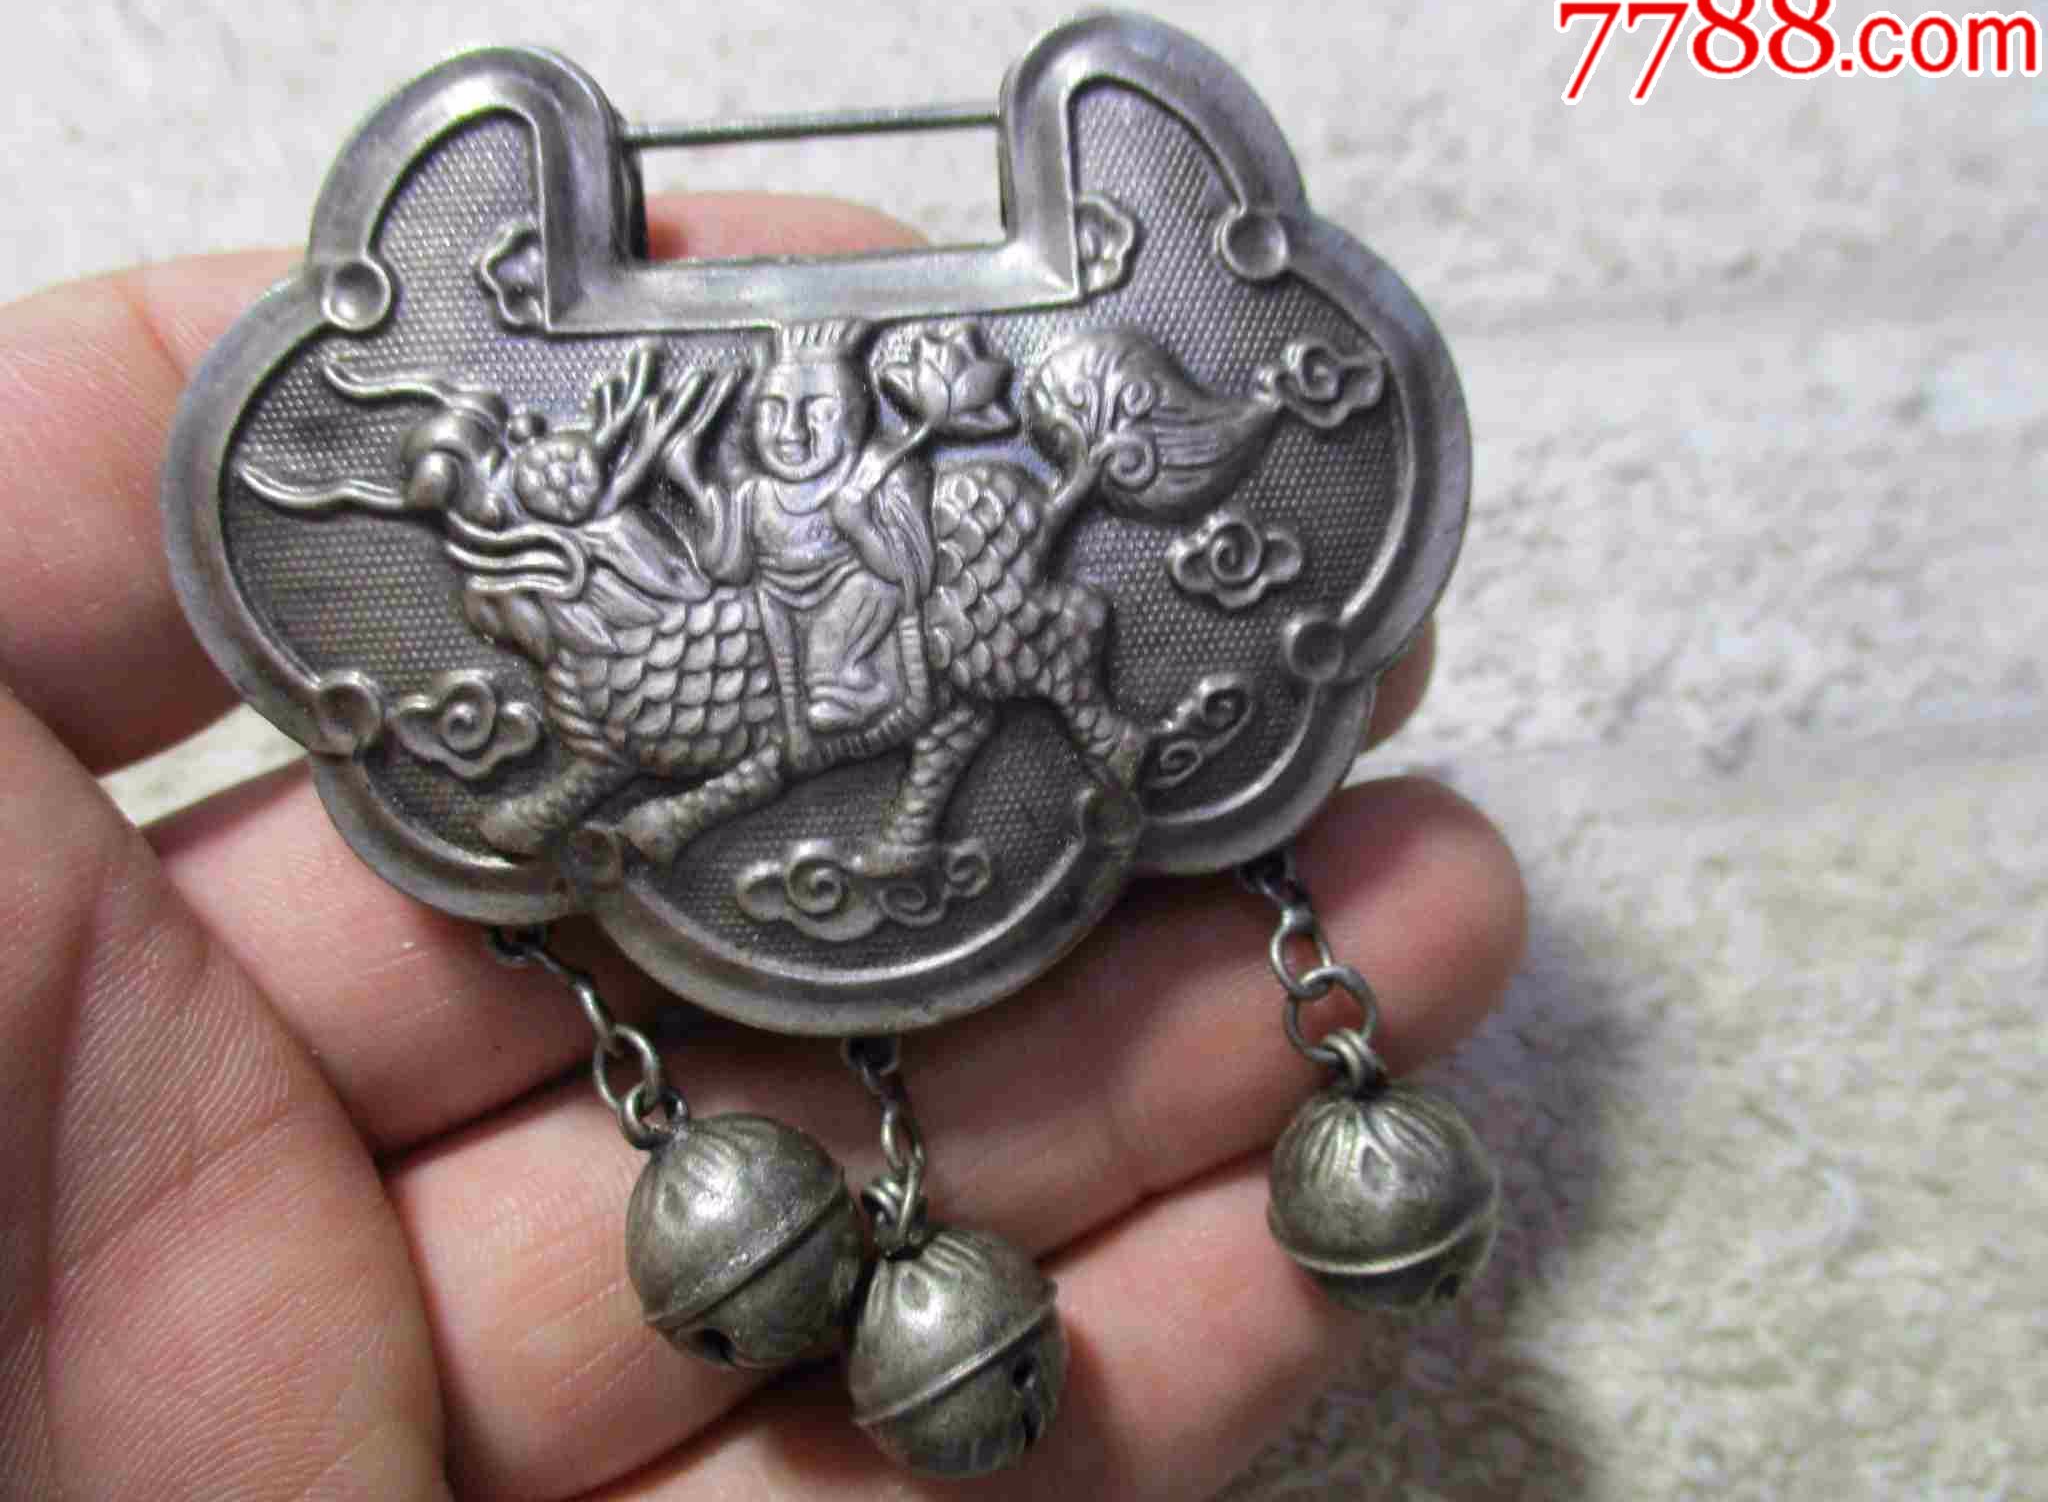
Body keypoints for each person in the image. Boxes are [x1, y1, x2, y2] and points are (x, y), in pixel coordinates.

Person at [0, 194, 1524, 1498]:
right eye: (779, 417)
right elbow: (713, 546)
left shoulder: (878, 487)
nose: (791, 428)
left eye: (811, 414)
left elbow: (887, 554)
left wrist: (876, 516)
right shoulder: (733, 506)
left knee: (860, 703)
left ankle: (914, 764)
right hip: (763, 667)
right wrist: (675, 480)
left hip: (849, 667)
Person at [674, 318, 935, 774]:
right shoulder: (756, 494)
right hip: (775, 613)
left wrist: (857, 523)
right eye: (772, 410)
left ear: (855, 417)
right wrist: (693, 482)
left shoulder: (876, 478)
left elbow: (907, 577)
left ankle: (862, 687)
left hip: (860, 602)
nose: (792, 432)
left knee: (829, 665)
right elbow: (729, 568)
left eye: (820, 411)